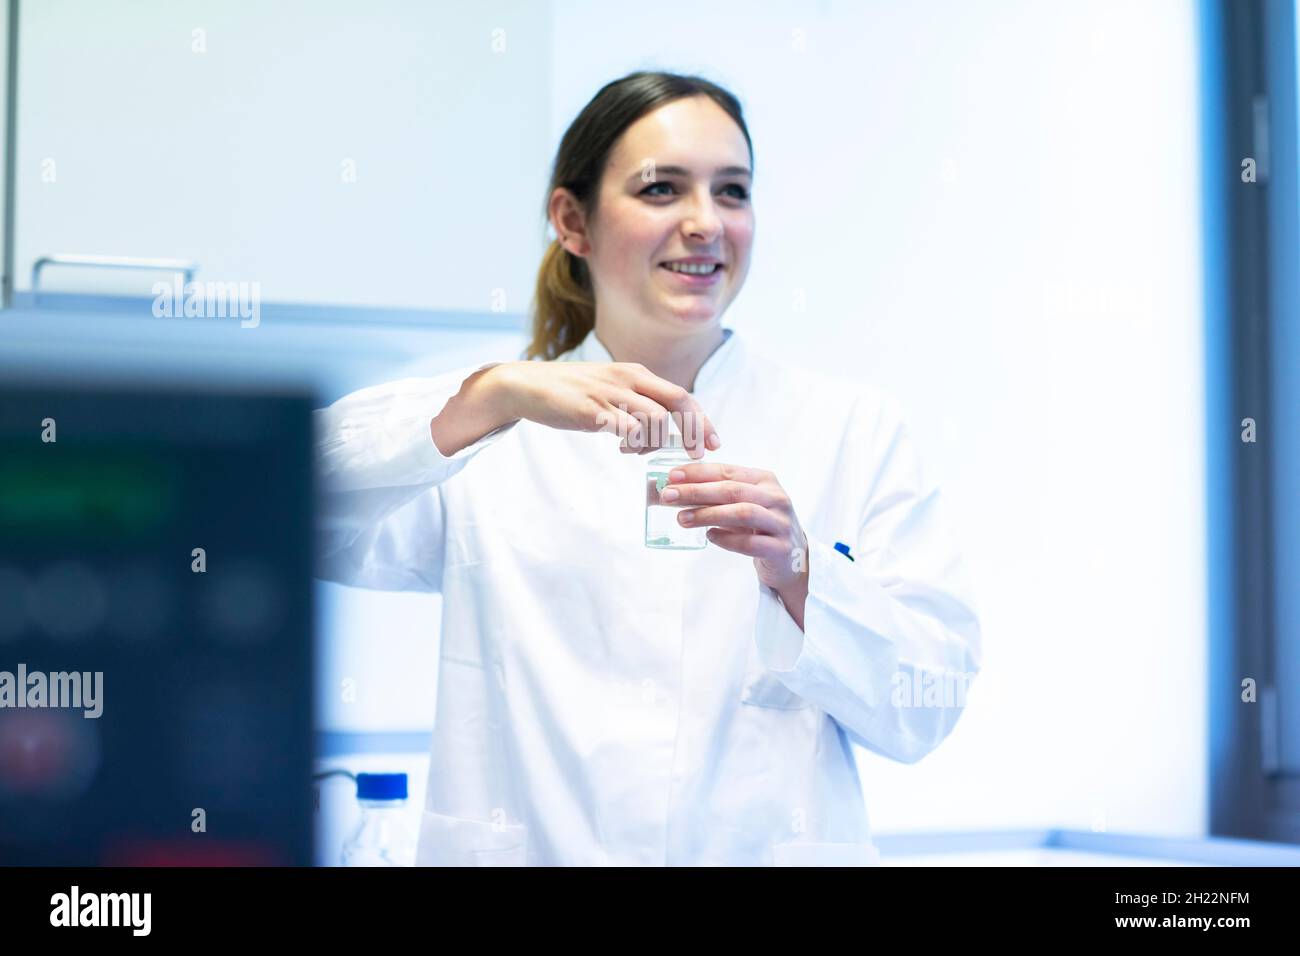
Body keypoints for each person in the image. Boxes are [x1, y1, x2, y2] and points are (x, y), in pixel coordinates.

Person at [314, 70, 982, 866]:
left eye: (731, 192)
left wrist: (802, 575)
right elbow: (276, 504)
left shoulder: (848, 429)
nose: (706, 223)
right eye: (662, 189)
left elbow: (925, 706)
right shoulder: (497, 430)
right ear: (573, 221)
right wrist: (485, 398)